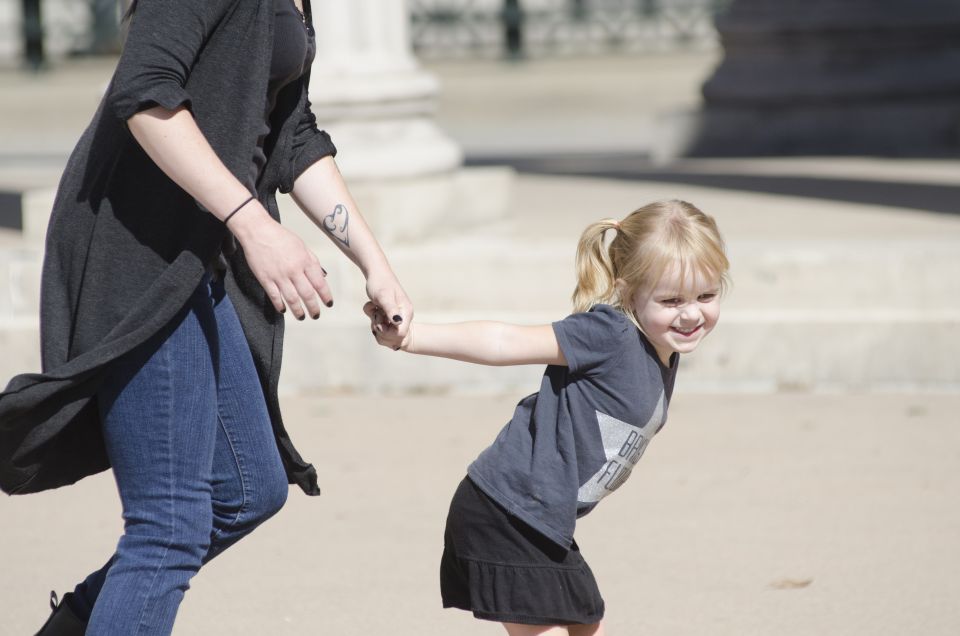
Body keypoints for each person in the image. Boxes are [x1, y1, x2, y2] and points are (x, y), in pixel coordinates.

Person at [0, 0, 411, 634]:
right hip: (134, 250)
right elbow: (144, 94)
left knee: (247, 490)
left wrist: (373, 262)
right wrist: (253, 225)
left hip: (195, 253)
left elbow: (292, 132)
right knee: (169, 525)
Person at [367, 200, 729, 635]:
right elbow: (506, 342)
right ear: (629, 292)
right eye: (671, 300)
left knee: (585, 622)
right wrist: (413, 337)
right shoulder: (610, 335)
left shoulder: (662, 352)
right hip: (505, 510)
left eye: (706, 295)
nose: (691, 313)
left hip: (541, 519)